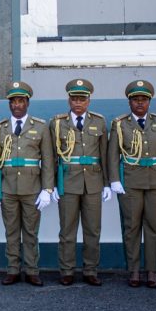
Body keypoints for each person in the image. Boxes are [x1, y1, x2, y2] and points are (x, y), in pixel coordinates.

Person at [108, 80, 156, 288]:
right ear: (129, 102)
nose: (140, 103)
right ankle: (134, 270)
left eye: (144, 99)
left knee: (154, 226)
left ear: (149, 102)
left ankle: (152, 270)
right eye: (135, 99)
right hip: (130, 182)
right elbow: (113, 154)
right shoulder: (120, 124)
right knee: (131, 226)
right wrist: (114, 180)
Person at [0, 81, 55, 287]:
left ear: (27, 103)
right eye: (13, 101)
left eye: (20, 101)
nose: (16, 105)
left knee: (31, 232)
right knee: (11, 231)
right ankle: (13, 269)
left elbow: (48, 160)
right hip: (8, 188)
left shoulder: (40, 127)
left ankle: (32, 270)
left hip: (32, 188)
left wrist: (47, 189)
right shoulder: (0, 128)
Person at [48, 79, 109, 286]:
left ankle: (90, 270)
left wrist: (107, 183)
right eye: (74, 99)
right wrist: (51, 185)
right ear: (69, 100)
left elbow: (104, 154)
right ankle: (67, 270)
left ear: (88, 101)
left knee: (93, 230)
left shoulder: (99, 122)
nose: (78, 103)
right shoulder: (57, 123)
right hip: (68, 181)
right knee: (67, 230)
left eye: (82, 99)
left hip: (93, 181)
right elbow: (51, 157)